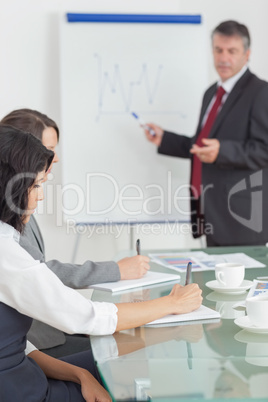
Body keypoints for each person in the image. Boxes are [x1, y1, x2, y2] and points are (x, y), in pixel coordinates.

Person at [0, 124, 202, 401]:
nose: (41, 195)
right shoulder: (6, 252)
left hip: (26, 370)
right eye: (35, 186)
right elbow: (86, 317)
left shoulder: (7, 240)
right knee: (129, 366)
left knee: (131, 351)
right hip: (23, 390)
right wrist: (172, 303)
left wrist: (80, 374)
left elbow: (22, 346)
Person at [1, 108, 151, 356]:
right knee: (127, 349)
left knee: (128, 342)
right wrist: (116, 270)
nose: (55, 159)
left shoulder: (21, 204)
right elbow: (42, 273)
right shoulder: (8, 225)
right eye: (48, 150)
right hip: (37, 341)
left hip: (48, 329)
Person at [143, 20, 268, 247]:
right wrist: (165, 139)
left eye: (232, 51)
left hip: (242, 218)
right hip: (210, 210)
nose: (223, 58)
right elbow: (203, 146)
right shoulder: (211, 93)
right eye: (218, 50)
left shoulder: (261, 92)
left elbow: (263, 149)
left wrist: (222, 152)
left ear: (247, 54)